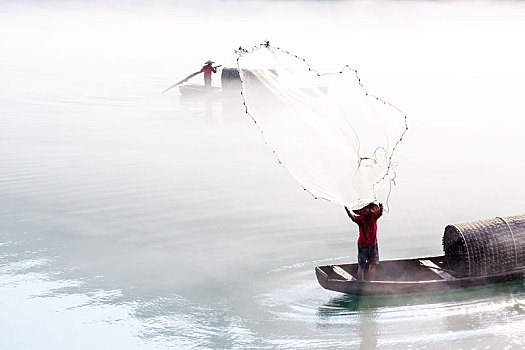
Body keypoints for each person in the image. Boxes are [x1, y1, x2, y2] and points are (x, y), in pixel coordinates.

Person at [344, 202, 383, 281]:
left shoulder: (372, 216)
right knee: (363, 266)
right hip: (364, 245)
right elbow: (353, 218)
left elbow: (379, 213)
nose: (365, 211)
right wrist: (348, 211)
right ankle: (362, 282)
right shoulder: (362, 219)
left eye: (366, 209)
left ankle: (369, 282)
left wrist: (381, 208)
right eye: (363, 210)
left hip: (371, 244)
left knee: (370, 264)